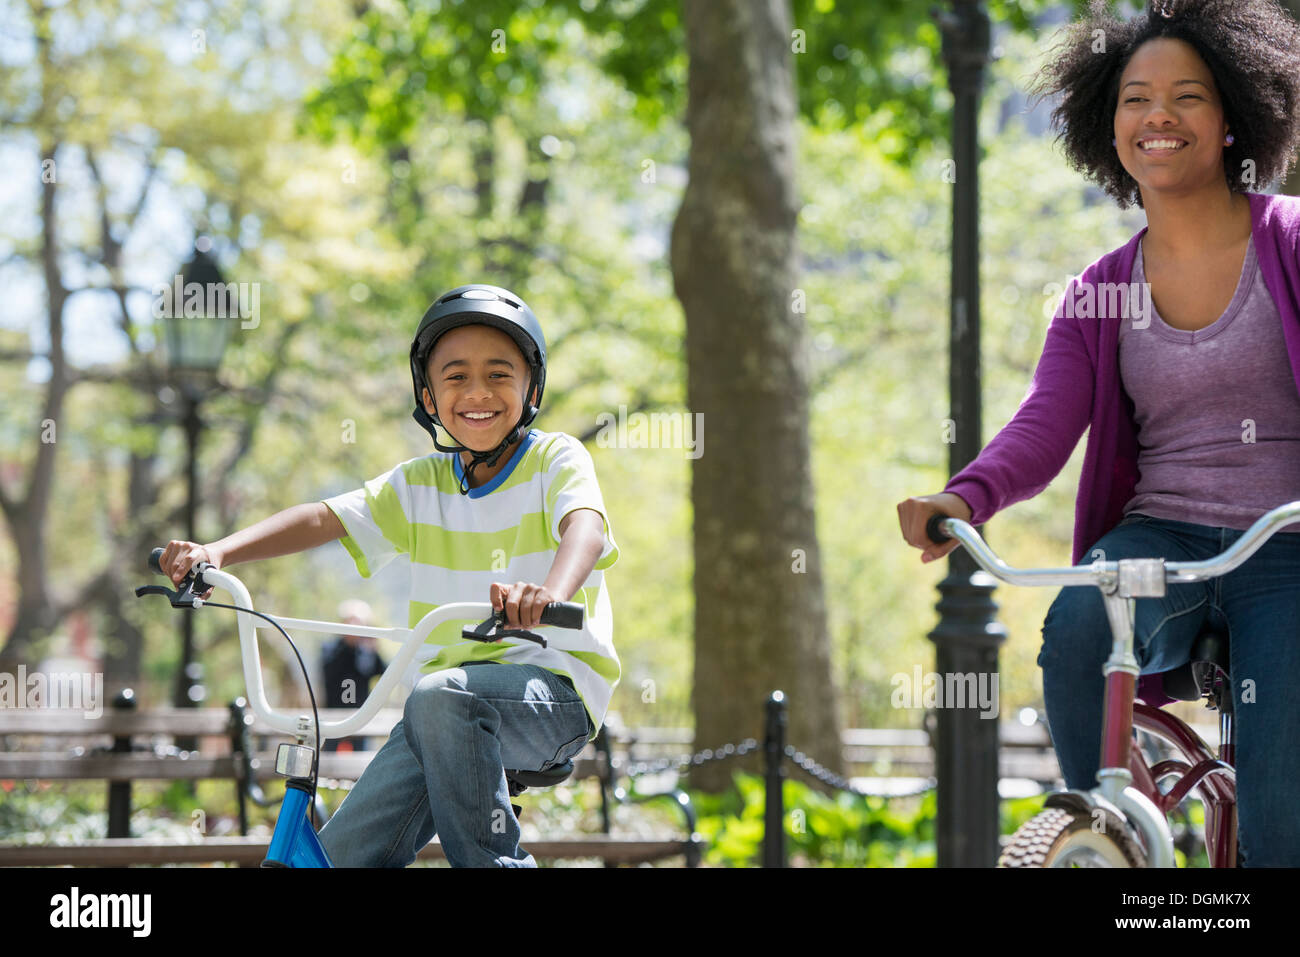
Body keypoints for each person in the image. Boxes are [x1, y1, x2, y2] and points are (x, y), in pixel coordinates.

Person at [897, 0, 1300, 867]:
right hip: (1160, 535)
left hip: (1289, 538)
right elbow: (1045, 425)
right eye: (1135, 99)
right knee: (1077, 626)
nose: (1158, 116)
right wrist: (964, 495)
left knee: (1282, 823)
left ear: (1233, 115)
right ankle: (1112, 836)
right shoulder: (1099, 290)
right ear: (1106, 126)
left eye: (1187, 96)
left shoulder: (1292, 242)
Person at [159, 283, 619, 867]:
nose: (478, 393)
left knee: (440, 696)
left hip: (550, 694)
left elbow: (586, 527)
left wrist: (548, 593)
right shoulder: (419, 483)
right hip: (438, 715)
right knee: (342, 859)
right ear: (428, 394)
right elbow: (323, 518)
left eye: (499, 374)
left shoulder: (556, 459)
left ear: (531, 387)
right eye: (456, 377)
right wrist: (220, 551)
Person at [320, 599, 386, 753]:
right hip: (333, 715)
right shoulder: (330, 648)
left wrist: (374, 647)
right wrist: (348, 645)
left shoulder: (367, 651)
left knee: (362, 760)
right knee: (328, 762)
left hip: (361, 716)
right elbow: (328, 672)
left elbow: (383, 672)